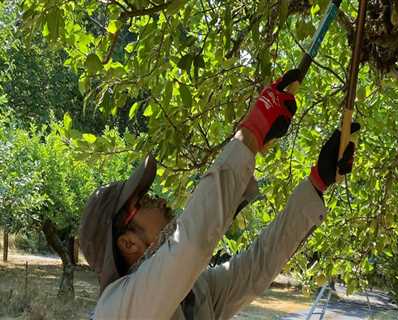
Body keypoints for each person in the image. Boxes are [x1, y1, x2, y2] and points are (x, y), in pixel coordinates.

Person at [79, 69, 360, 319]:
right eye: (141, 202)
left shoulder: (194, 295)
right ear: (128, 244)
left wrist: (316, 184)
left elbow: (259, 264)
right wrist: (251, 132)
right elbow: (191, 243)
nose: (157, 200)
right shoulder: (115, 310)